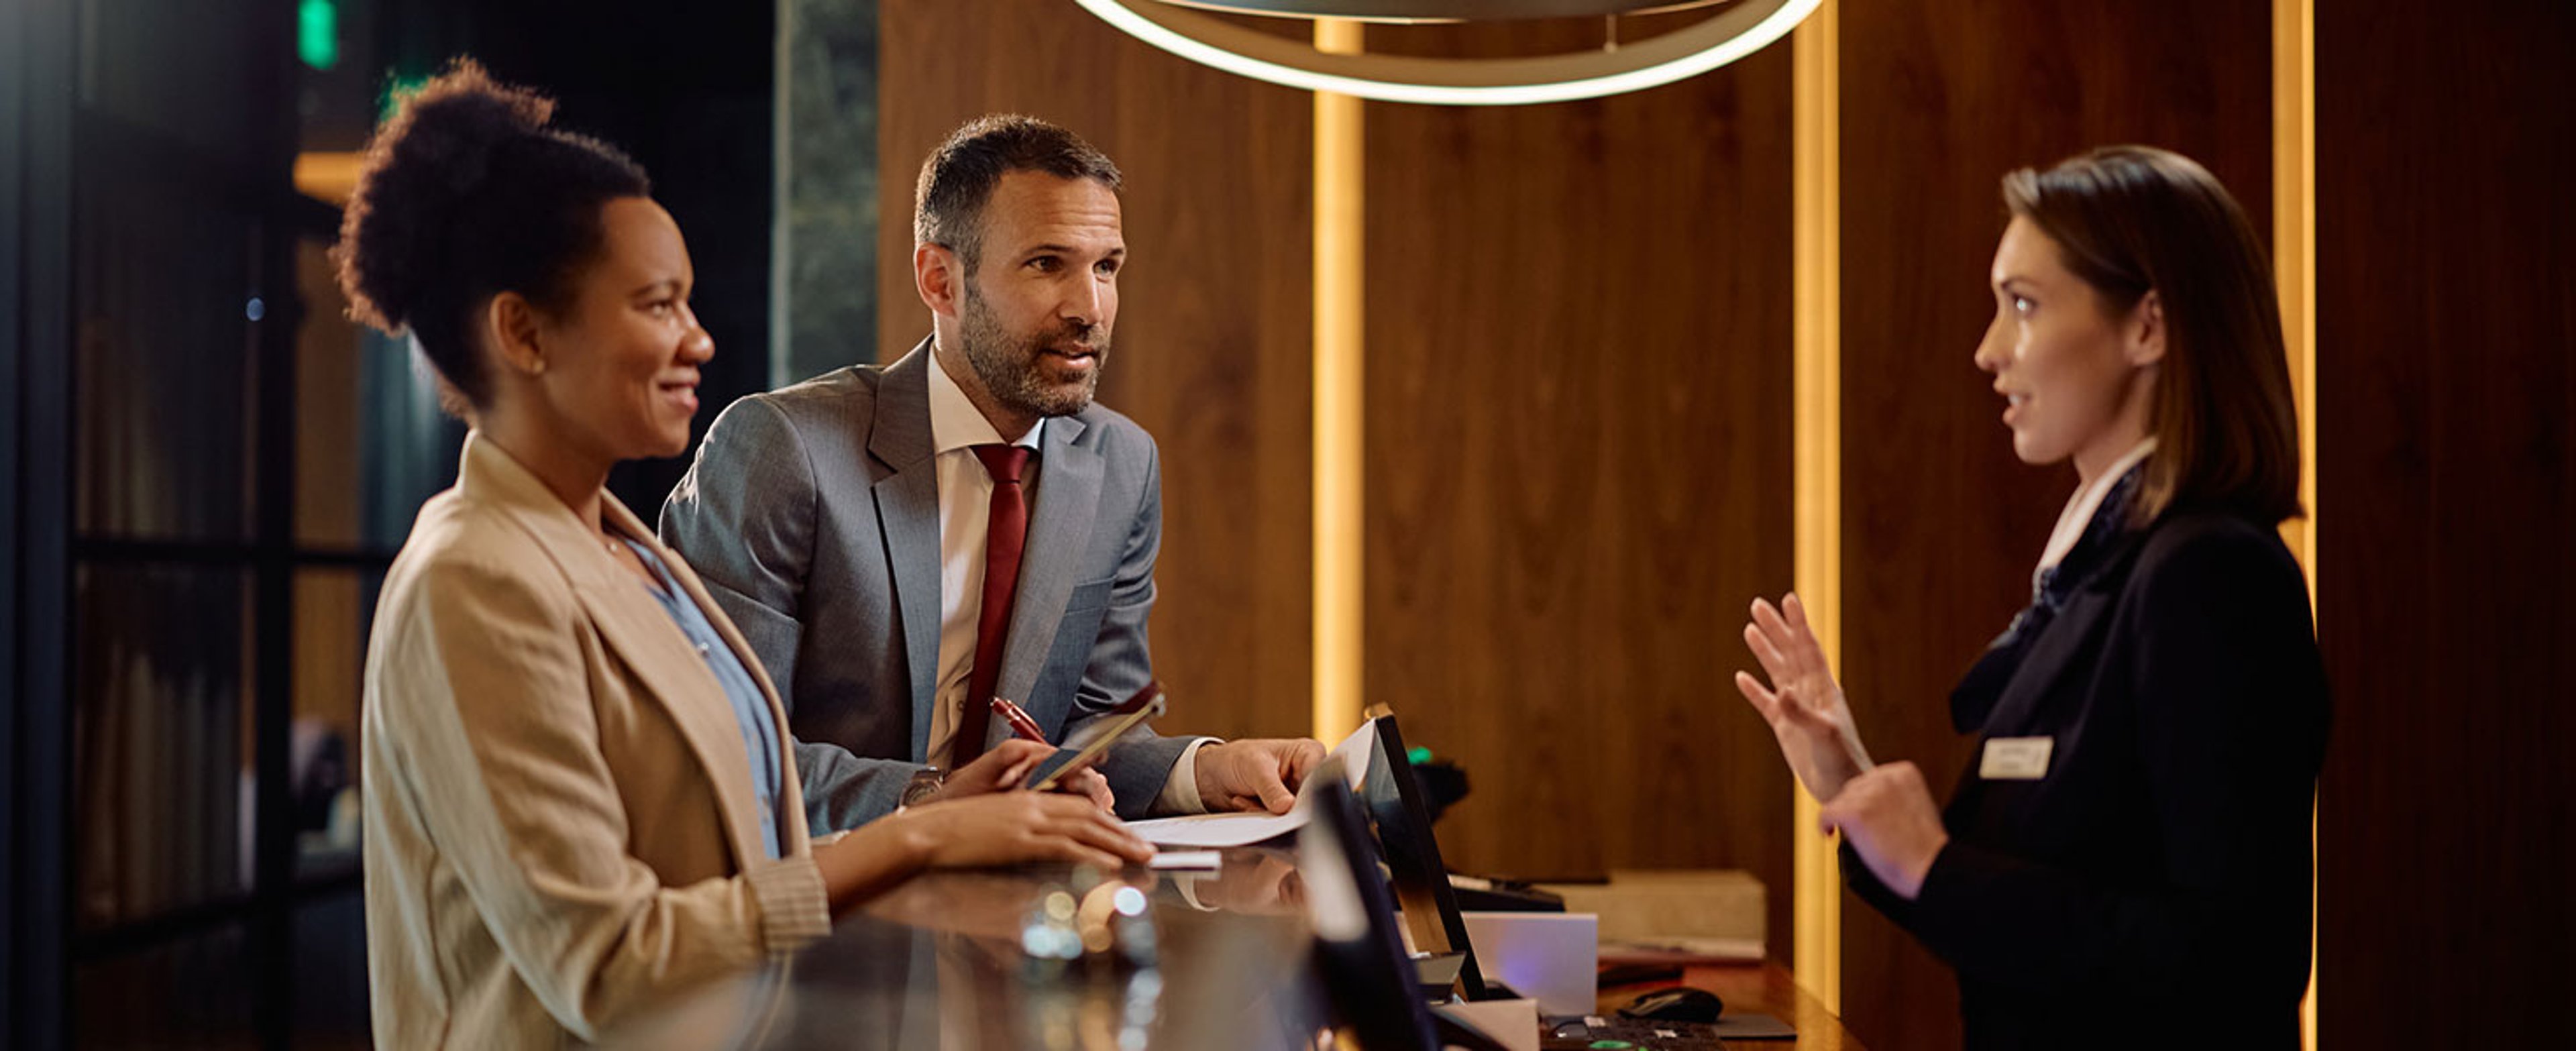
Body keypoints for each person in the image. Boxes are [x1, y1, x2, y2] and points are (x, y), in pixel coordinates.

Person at [341, 63, 1151, 1048]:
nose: (699, 340)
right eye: (657, 305)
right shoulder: (473, 579)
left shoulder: (626, 553)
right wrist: (922, 831)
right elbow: (612, 963)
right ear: (523, 332)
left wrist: (953, 805)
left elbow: (739, 826)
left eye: (687, 303)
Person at [1733, 146, 2328, 1049]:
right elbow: (2029, 915)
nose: (1988, 350)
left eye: (2023, 304)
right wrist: (1855, 788)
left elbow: (2234, 965)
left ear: (2149, 327)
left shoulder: (2209, 575)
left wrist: (1934, 864)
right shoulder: (2106, 570)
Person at [661, 115, 1324, 827]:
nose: (1090, 308)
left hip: (1012, 883)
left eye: (1106, 267)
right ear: (940, 281)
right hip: (820, 880)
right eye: (1047, 264)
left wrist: (1204, 769)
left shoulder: (1122, 465)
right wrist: (938, 800)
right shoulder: (781, 448)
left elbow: (1091, 737)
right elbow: (719, 744)